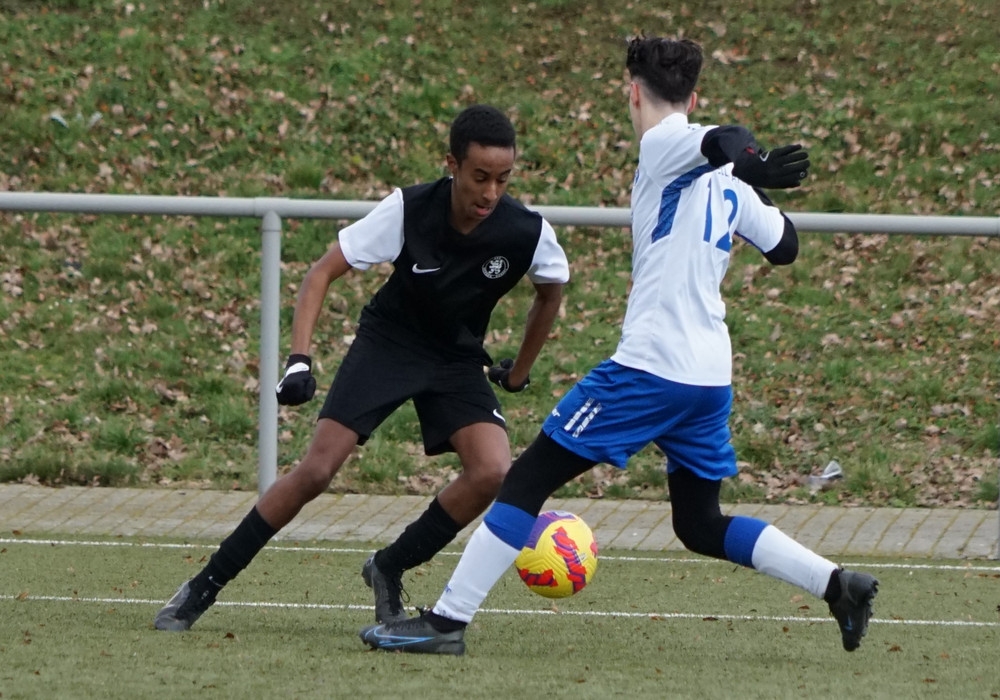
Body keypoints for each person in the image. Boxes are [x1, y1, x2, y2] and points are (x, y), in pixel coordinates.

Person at [359, 36, 878, 656]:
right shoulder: (726, 181)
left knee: (524, 480)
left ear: (633, 93)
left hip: (651, 368)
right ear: (694, 96)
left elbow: (728, 138)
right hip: (709, 377)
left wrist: (750, 160)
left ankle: (447, 622)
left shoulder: (662, 144)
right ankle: (837, 585)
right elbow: (785, 246)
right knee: (699, 524)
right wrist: (748, 180)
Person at [154, 104, 573, 631]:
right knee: (316, 471)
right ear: (452, 165)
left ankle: (388, 566)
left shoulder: (525, 231)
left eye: (504, 179)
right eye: (480, 176)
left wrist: (518, 372)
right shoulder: (408, 209)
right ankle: (203, 586)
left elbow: (550, 293)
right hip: (389, 344)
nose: (491, 192)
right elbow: (320, 273)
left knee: (491, 472)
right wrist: (299, 360)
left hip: (455, 357)